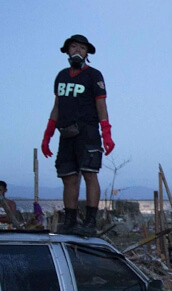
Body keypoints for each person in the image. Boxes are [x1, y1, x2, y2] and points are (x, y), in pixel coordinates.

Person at [40, 34, 115, 236]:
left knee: (90, 174)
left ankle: (90, 222)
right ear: (67, 50)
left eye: (82, 48)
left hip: (88, 131)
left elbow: (101, 104)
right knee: (68, 178)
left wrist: (106, 133)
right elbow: (57, 106)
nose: (77, 51)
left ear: (87, 53)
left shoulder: (94, 75)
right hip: (66, 133)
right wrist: (47, 136)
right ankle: (70, 221)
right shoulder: (61, 76)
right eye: (74, 47)